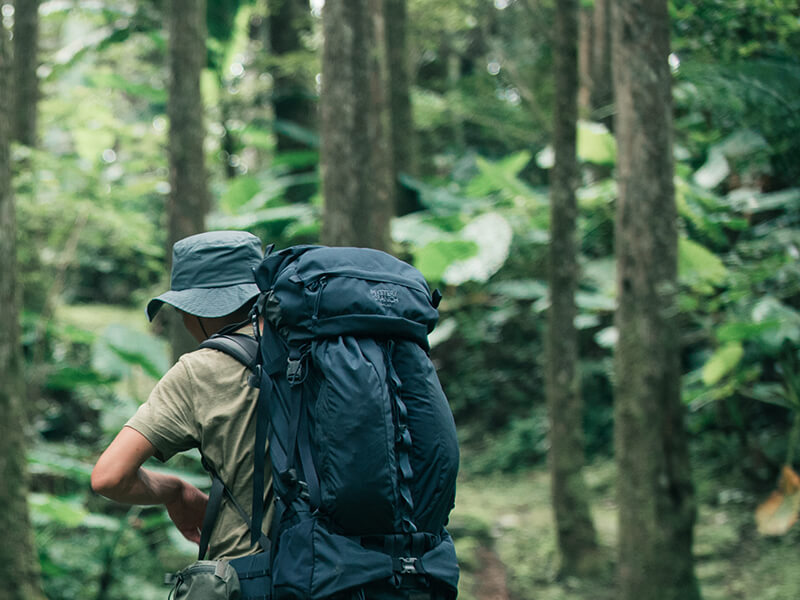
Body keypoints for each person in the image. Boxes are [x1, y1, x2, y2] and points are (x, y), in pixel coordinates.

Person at [91, 230, 271, 559]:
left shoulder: (200, 370)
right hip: (358, 574)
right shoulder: (332, 351)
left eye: (181, 309)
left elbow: (110, 477)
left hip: (255, 577)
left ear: (199, 310)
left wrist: (174, 491)